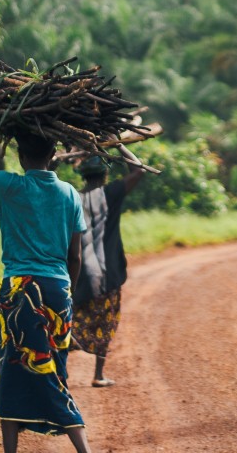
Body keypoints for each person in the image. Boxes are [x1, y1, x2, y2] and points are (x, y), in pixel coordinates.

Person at [0, 91, 95, 453]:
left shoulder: (9, 186)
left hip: (19, 291)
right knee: (54, 371)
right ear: (54, 154)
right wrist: (68, 296)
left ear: (20, 154)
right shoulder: (69, 195)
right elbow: (74, 257)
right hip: (58, 292)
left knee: (13, 371)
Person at [67, 153, 144, 387]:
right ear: (105, 173)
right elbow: (138, 171)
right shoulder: (110, 194)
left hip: (78, 271)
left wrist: (54, 159)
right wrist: (119, 145)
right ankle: (98, 374)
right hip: (107, 273)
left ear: (82, 175)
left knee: (71, 320)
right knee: (105, 320)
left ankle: (61, 370)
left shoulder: (72, 198)